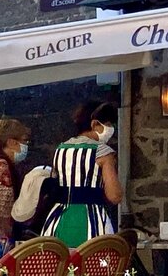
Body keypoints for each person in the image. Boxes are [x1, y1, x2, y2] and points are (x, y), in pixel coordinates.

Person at [43, 103, 123, 247]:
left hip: (58, 218)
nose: (111, 129)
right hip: (91, 220)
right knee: (93, 265)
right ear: (94, 124)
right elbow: (114, 195)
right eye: (108, 124)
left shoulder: (60, 149)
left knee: (60, 265)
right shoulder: (103, 152)